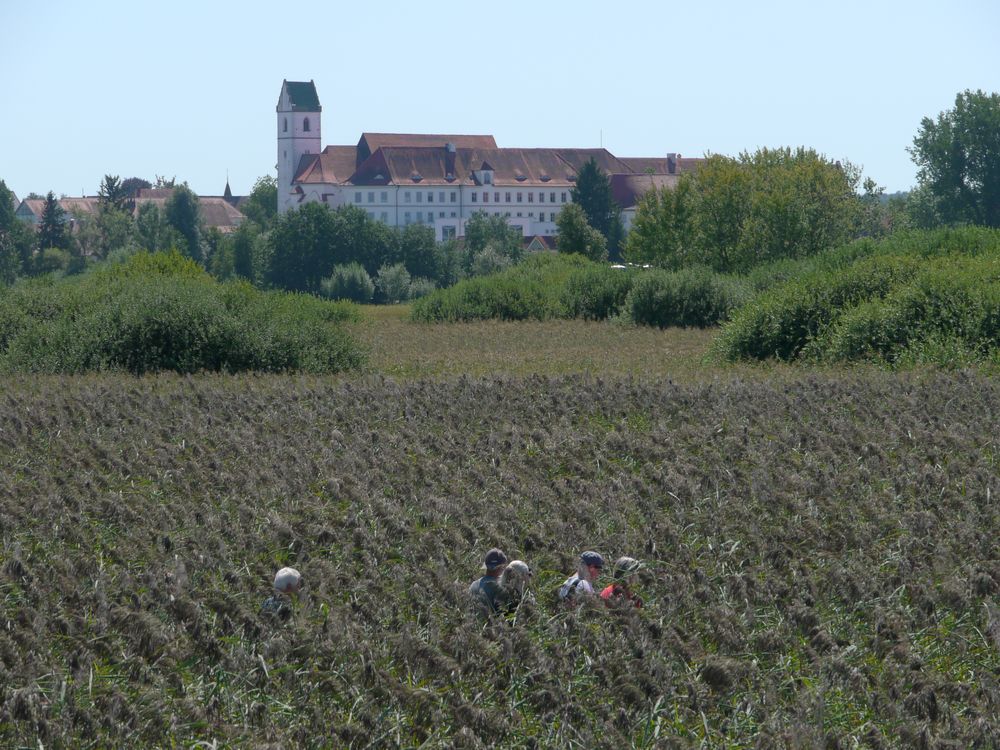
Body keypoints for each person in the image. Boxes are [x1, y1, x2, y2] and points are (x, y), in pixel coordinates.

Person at [468, 548, 508, 615]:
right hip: (490, 624)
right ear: (500, 567)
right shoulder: (498, 587)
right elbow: (503, 614)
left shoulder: (473, 585)